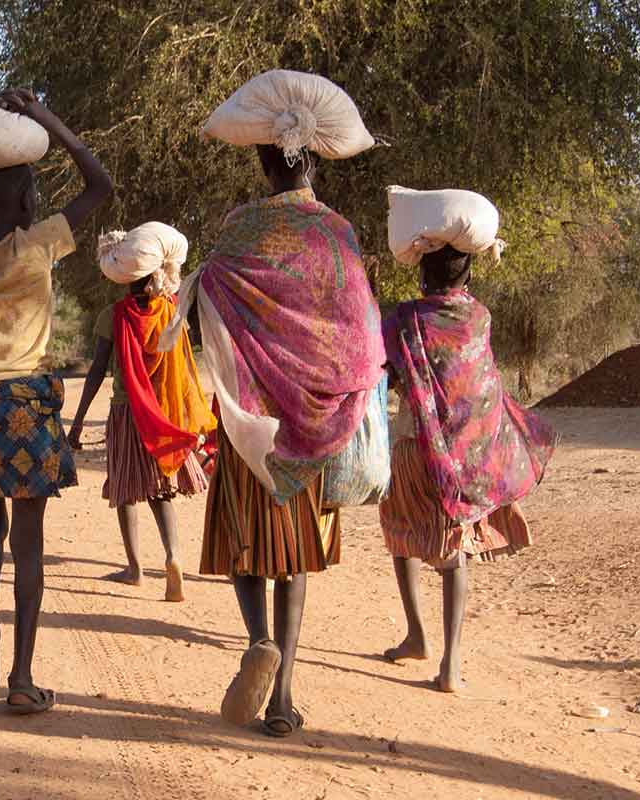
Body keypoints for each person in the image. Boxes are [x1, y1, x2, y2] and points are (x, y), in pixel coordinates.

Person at [166, 140, 382, 736]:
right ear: (313, 162)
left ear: (264, 164)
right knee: (295, 556)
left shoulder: (241, 226)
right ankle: (283, 695)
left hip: (249, 420)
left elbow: (212, 295)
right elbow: (359, 326)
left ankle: (258, 640)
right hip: (309, 422)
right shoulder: (337, 232)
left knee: (246, 542)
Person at [0, 88, 112, 714]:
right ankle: (20, 677)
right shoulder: (41, 244)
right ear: (28, 199)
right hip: (27, 403)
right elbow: (101, 184)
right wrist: (46, 119)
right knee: (30, 540)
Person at [379, 244, 556, 692]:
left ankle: (416, 634)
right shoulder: (480, 318)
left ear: (421, 275)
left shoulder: (403, 319)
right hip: (464, 453)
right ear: (468, 276)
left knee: (402, 532)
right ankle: (450, 664)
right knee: (453, 546)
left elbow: (387, 370)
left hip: (411, 444)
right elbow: (478, 383)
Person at [68, 231, 214, 602]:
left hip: (126, 413)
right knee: (161, 489)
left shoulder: (112, 316)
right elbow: (184, 368)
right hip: (162, 414)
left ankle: (134, 568)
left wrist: (79, 421)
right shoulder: (170, 312)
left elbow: (97, 371)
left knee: (125, 490)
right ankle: (173, 557)